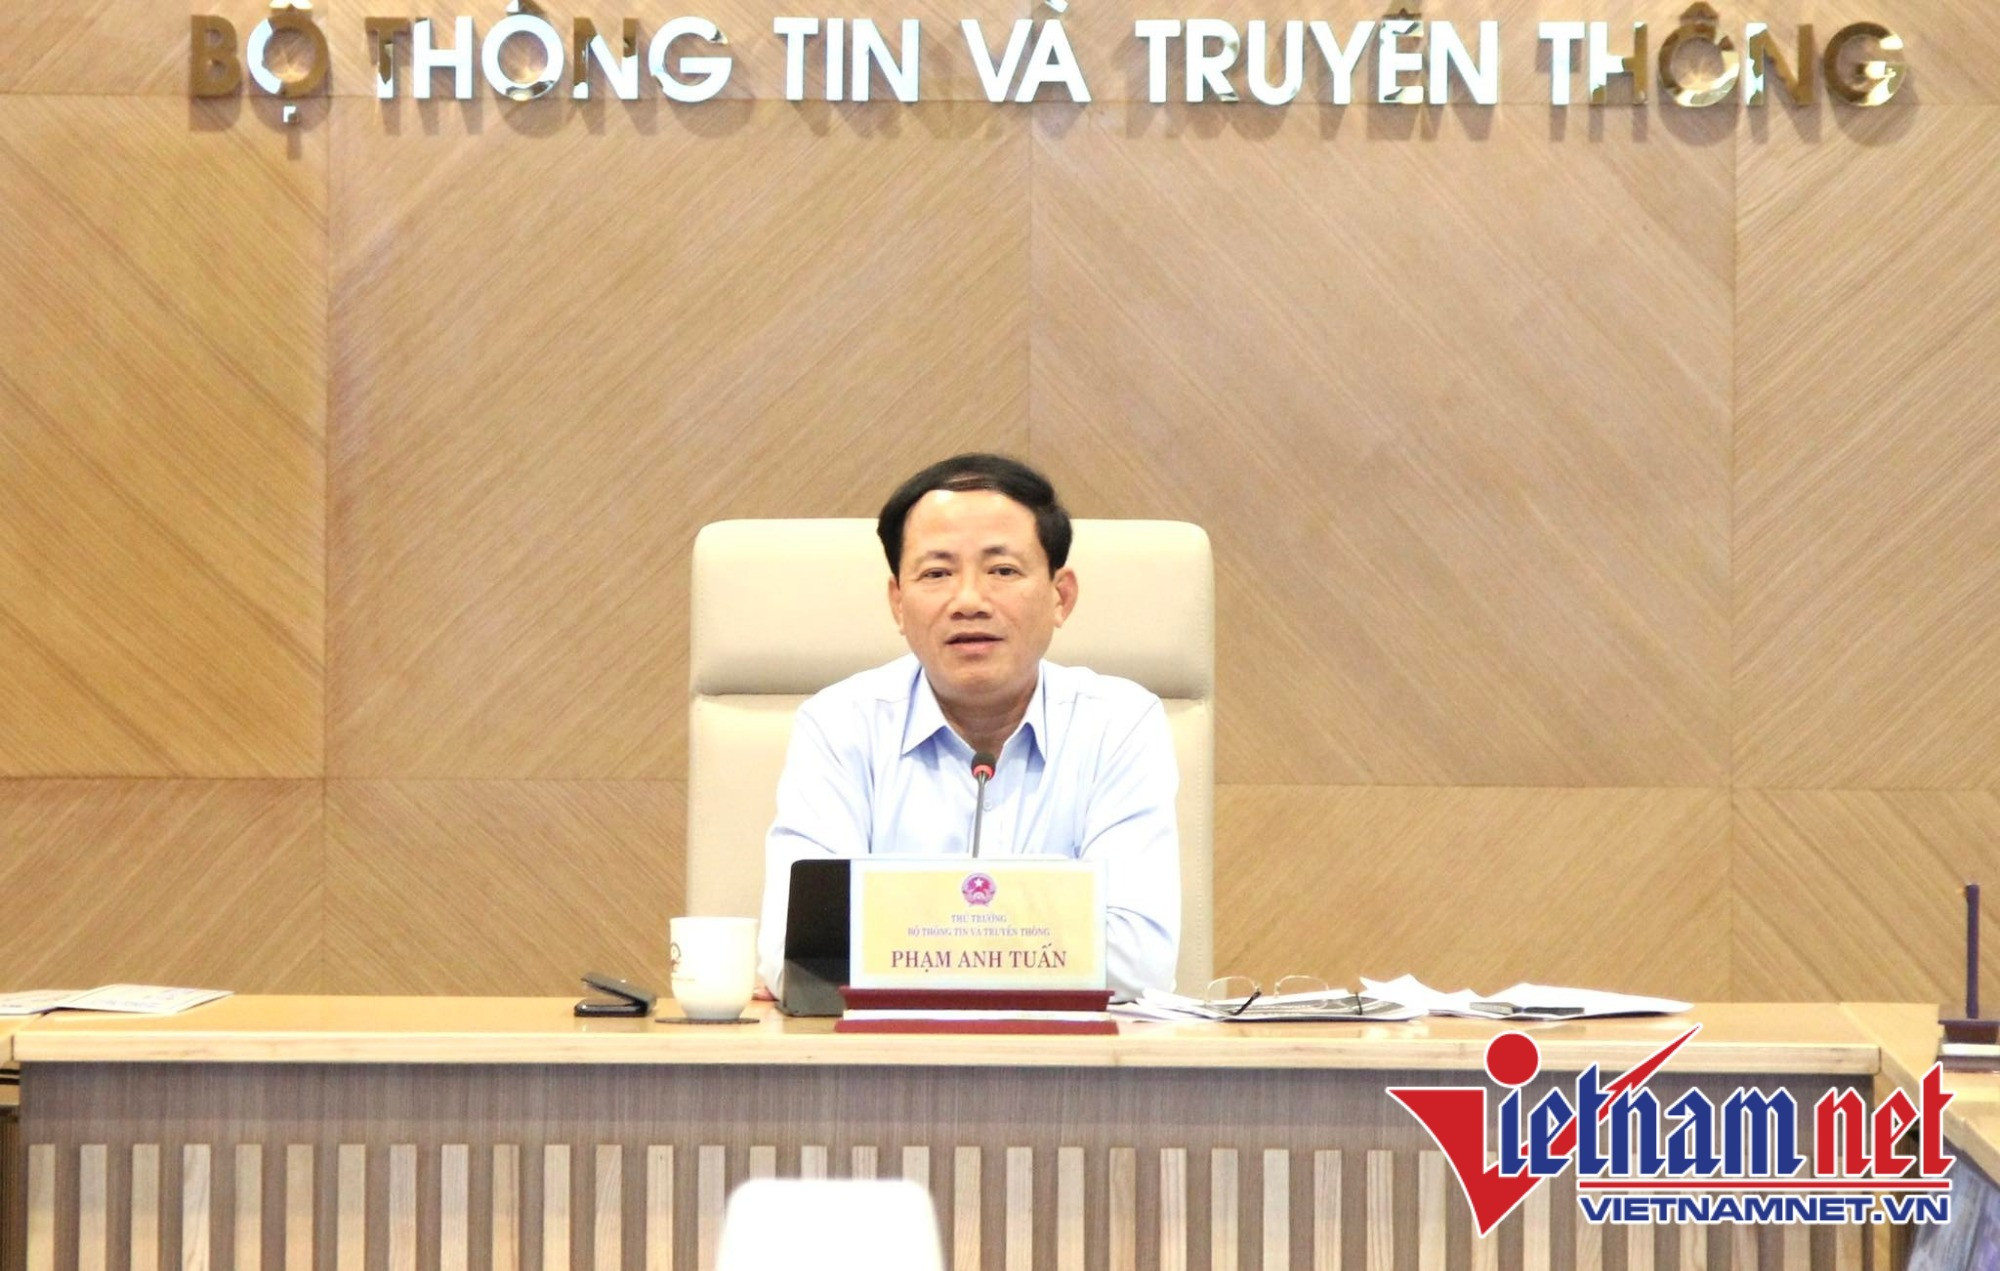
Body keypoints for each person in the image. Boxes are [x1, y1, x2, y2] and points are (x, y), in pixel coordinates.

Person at [756, 453, 1181, 1000]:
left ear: (1060, 596)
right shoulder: (841, 725)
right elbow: (796, 956)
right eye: (937, 573)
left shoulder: (1118, 725)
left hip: (1069, 1054)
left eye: (1002, 571)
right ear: (898, 603)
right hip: (884, 1054)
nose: (969, 601)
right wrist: (1045, 940)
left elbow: (1139, 962)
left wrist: (903, 942)